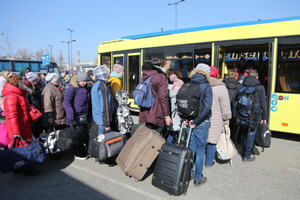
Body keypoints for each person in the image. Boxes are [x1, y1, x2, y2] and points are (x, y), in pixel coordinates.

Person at [183, 63, 212, 187]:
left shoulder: (190, 83)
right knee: (200, 150)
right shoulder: (206, 85)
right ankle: (198, 178)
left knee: (191, 149)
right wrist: (197, 122)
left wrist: (187, 119)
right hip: (201, 123)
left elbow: (185, 103)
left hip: (190, 121)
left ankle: (189, 174)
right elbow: (207, 107)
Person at [238, 69, 267, 162]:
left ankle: (243, 150)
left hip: (242, 113)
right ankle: (247, 155)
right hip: (255, 115)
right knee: (251, 133)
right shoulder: (260, 87)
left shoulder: (241, 85)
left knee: (243, 131)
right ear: (257, 77)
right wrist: (264, 117)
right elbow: (263, 103)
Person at [205, 66, 231, 167]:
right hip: (216, 118)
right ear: (217, 75)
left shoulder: (201, 85)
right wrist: (226, 121)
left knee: (203, 140)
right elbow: (225, 106)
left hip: (202, 117)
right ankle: (209, 162)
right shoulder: (221, 87)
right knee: (212, 140)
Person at [139, 58, 172, 134]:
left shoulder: (144, 75)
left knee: (148, 135)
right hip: (156, 111)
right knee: (157, 137)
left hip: (146, 110)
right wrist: (167, 115)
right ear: (161, 65)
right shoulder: (160, 76)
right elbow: (163, 97)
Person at [64, 71, 90, 158]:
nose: (85, 82)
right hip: (74, 116)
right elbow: (66, 102)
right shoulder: (73, 88)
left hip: (83, 116)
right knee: (77, 135)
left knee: (82, 134)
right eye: (83, 81)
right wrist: (70, 113)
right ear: (78, 81)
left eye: (86, 81)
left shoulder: (86, 88)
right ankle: (77, 152)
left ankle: (82, 149)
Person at [2, 74, 32, 149]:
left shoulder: (18, 94)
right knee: (21, 148)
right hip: (18, 128)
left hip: (22, 125)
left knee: (25, 147)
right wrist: (16, 132)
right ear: (15, 83)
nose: (22, 84)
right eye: (20, 82)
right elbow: (12, 116)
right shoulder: (11, 96)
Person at [91, 65, 114, 136]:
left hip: (97, 118)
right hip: (103, 120)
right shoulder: (103, 86)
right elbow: (105, 105)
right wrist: (107, 124)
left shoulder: (96, 85)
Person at [24, 72, 45, 138]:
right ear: (32, 81)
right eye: (36, 80)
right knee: (34, 129)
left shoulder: (37, 86)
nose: (38, 80)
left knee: (39, 128)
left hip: (38, 110)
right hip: (33, 112)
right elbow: (27, 101)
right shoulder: (27, 89)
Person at [167, 74, 184, 143]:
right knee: (173, 133)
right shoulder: (178, 95)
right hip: (176, 115)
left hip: (171, 115)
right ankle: (169, 146)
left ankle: (170, 146)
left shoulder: (169, 92)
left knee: (172, 132)